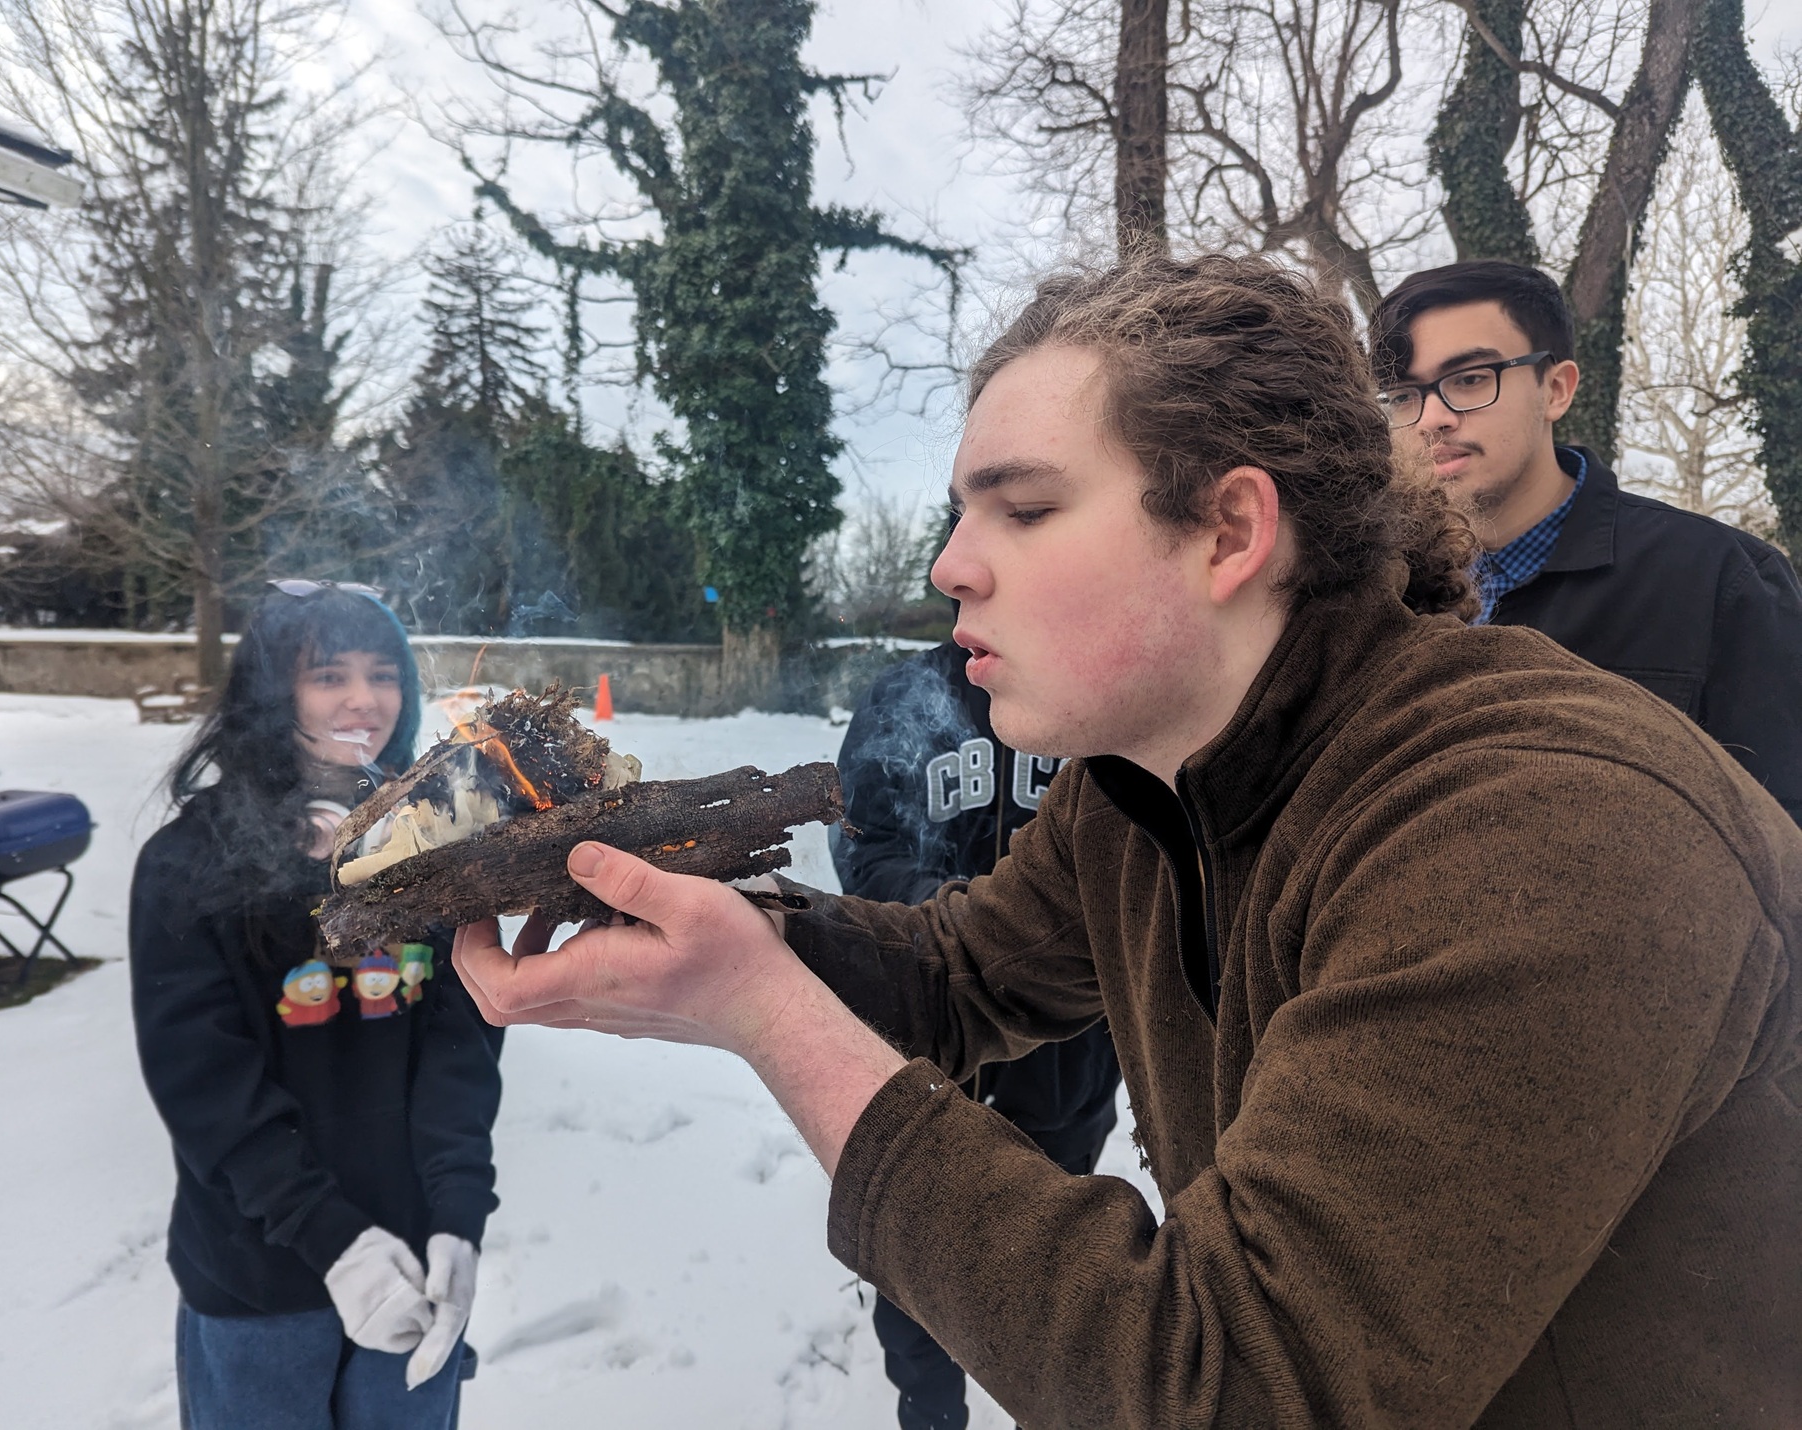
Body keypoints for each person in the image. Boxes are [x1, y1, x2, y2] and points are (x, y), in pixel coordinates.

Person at [450, 253, 1801, 1428]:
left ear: (1229, 529)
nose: (949, 566)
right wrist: (719, 934)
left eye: (1022, 507)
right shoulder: (1147, 780)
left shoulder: (1538, 829)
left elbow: (1233, 1389)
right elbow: (959, 977)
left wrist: (769, 1017)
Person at [131, 582, 505, 1430]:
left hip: (413, 1267)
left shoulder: (434, 844)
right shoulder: (188, 862)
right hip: (257, 1281)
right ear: (273, 693)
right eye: (328, 676)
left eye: (383, 675)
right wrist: (329, 1238)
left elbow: (463, 1043)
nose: (364, 701)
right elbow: (205, 1088)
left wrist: (456, 1215)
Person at [1371, 259, 1802, 820]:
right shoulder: (1368, 593)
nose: (1431, 418)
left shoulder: (1720, 580)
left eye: (1470, 379)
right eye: (1404, 395)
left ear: (1555, 389)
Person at [833, 638, 1121, 1430]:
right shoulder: (905, 695)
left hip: (1072, 1059)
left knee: (1058, 1267)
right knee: (915, 1257)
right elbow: (862, 847)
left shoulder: (1100, 691)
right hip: (927, 1046)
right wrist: (976, 918)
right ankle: (931, 1412)